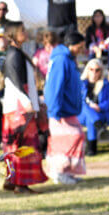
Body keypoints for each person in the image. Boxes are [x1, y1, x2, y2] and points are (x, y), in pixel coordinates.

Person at [2, 21, 47, 191]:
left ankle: (13, 180)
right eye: (22, 31)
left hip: (19, 105)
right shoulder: (14, 55)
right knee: (22, 146)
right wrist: (28, 102)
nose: (26, 33)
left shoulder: (16, 53)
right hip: (19, 107)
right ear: (13, 33)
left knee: (17, 146)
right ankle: (20, 182)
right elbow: (16, 83)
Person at [44, 31, 87, 184]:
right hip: (60, 111)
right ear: (72, 45)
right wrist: (55, 110)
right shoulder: (61, 59)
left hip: (68, 109)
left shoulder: (69, 59)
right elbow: (55, 86)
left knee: (77, 136)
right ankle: (58, 172)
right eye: (80, 46)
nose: (82, 50)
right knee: (66, 141)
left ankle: (68, 172)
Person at [77, 59, 109, 156]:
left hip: (100, 114)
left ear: (101, 71)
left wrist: (99, 107)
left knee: (90, 119)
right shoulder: (81, 84)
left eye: (97, 70)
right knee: (85, 105)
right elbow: (78, 102)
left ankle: (91, 149)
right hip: (81, 115)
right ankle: (99, 128)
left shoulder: (105, 84)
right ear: (87, 70)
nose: (94, 72)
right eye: (91, 69)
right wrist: (90, 106)